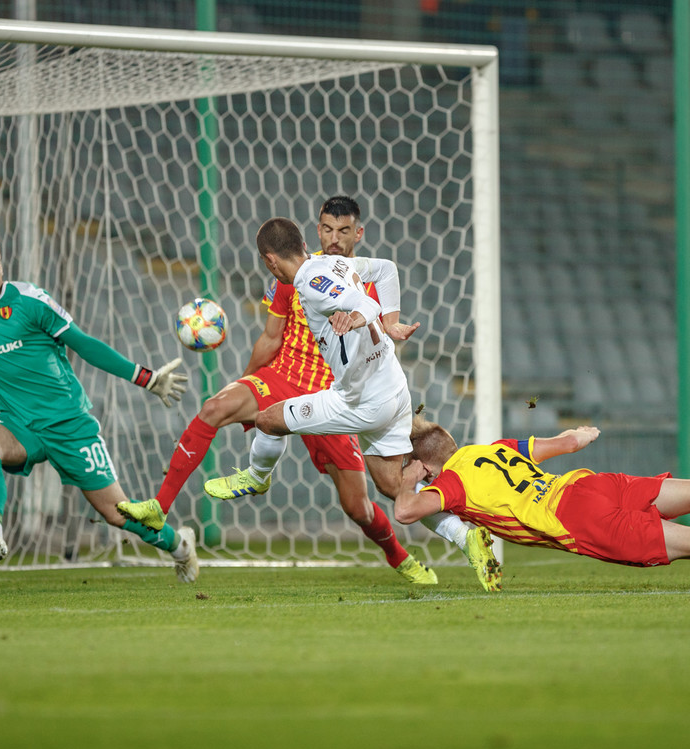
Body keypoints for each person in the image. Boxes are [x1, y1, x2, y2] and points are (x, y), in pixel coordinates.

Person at [120, 198, 500, 589]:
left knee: (356, 503)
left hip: (347, 399)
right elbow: (279, 332)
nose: (334, 238)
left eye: (343, 231)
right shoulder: (333, 268)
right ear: (314, 233)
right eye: (327, 229)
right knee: (392, 487)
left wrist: (365, 315)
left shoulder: (315, 282)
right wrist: (391, 321)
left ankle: (260, 478)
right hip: (352, 385)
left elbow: (365, 301)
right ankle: (466, 535)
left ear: (358, 233)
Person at [0, 234, 199, 582]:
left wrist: (145, 378)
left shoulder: (30, 300)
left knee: (115, 513)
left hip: (69, 422)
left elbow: (82, 343)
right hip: (17, 423)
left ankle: (179, 546)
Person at [395, 417, 690, 569]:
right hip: (587, 484)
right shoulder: (496, 447)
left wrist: (408, 480)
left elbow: (405, 512)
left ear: (426, 468)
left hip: (576, 519)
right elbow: (569, 443)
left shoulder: (450, 484)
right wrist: (584, 434)